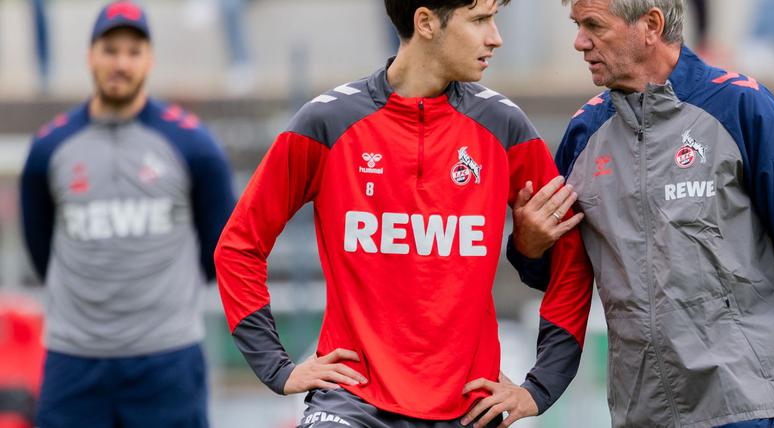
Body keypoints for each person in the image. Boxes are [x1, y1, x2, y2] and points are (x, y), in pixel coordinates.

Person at [213, 1, 593, 427]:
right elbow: (238, 246)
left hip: (466, 407)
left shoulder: (504, 125)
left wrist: (539, 386)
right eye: (480, 20)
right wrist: (277, 367)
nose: (495, 37)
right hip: (350, 401)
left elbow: (571, 259)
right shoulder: (328, 121)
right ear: (426, 22)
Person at [507, 0, 774, 427]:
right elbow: (563, 276)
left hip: (749, 407)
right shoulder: (584, 134)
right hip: (643, 411)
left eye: (594, 25)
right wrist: (528, 245)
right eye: (577, 25)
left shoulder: (743, 107)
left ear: (651, 24)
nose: (580, 42)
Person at [18, 2, 235, 426]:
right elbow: (39, 244)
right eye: (110, 49)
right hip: (74, 361)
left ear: (149, 59)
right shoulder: (50, 147)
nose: (120, 63)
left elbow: (219, 246)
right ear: (90, 55)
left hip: (166, 361)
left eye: (132, 52)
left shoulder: (193, 144)